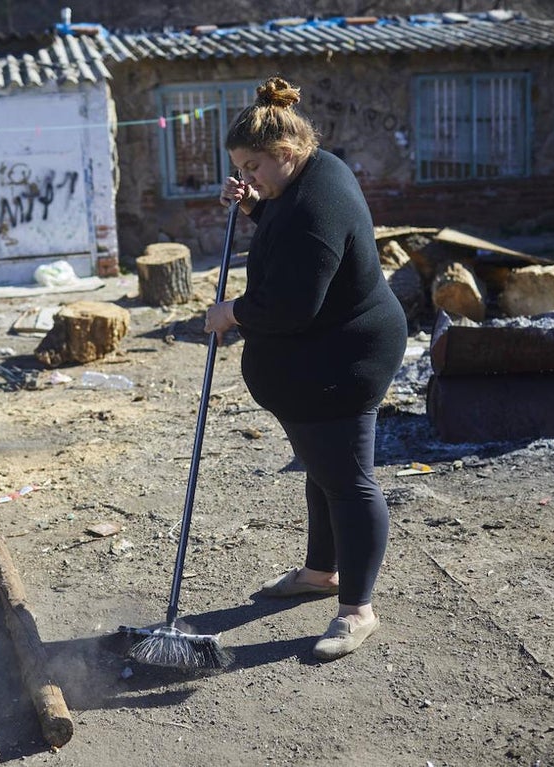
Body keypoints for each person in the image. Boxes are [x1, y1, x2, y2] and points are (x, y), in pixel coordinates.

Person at [205, 76, 408, 661]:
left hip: (346, 357)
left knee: (347, 480)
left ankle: (357, 610)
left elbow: (293, 304)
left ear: (287, 153)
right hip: (322, 351)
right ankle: (321, 573)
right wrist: (251, 203)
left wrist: (230, 314)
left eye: (253, 166)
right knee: (321, 468)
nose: (247, 176)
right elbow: (283, 237)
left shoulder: (318, 202)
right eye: (240, 167)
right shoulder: (304, 179)